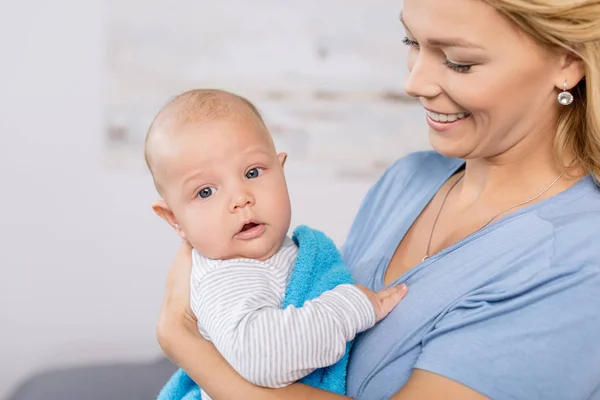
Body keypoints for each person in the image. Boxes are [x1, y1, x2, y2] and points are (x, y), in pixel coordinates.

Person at [156, 0, 600, 398]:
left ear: (567, 62)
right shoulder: (407, 180)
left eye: (459, 62)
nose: (414, 82)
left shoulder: (579, 259)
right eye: (412, 41)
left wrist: (183, 342)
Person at [145, 89, 408, 399]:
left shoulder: (277, 255)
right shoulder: (225, 277)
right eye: (205, 192)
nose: (240, 198)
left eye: (252, 172)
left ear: (281, 170)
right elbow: (264, 359)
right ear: (174, 219)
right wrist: (351, 307)